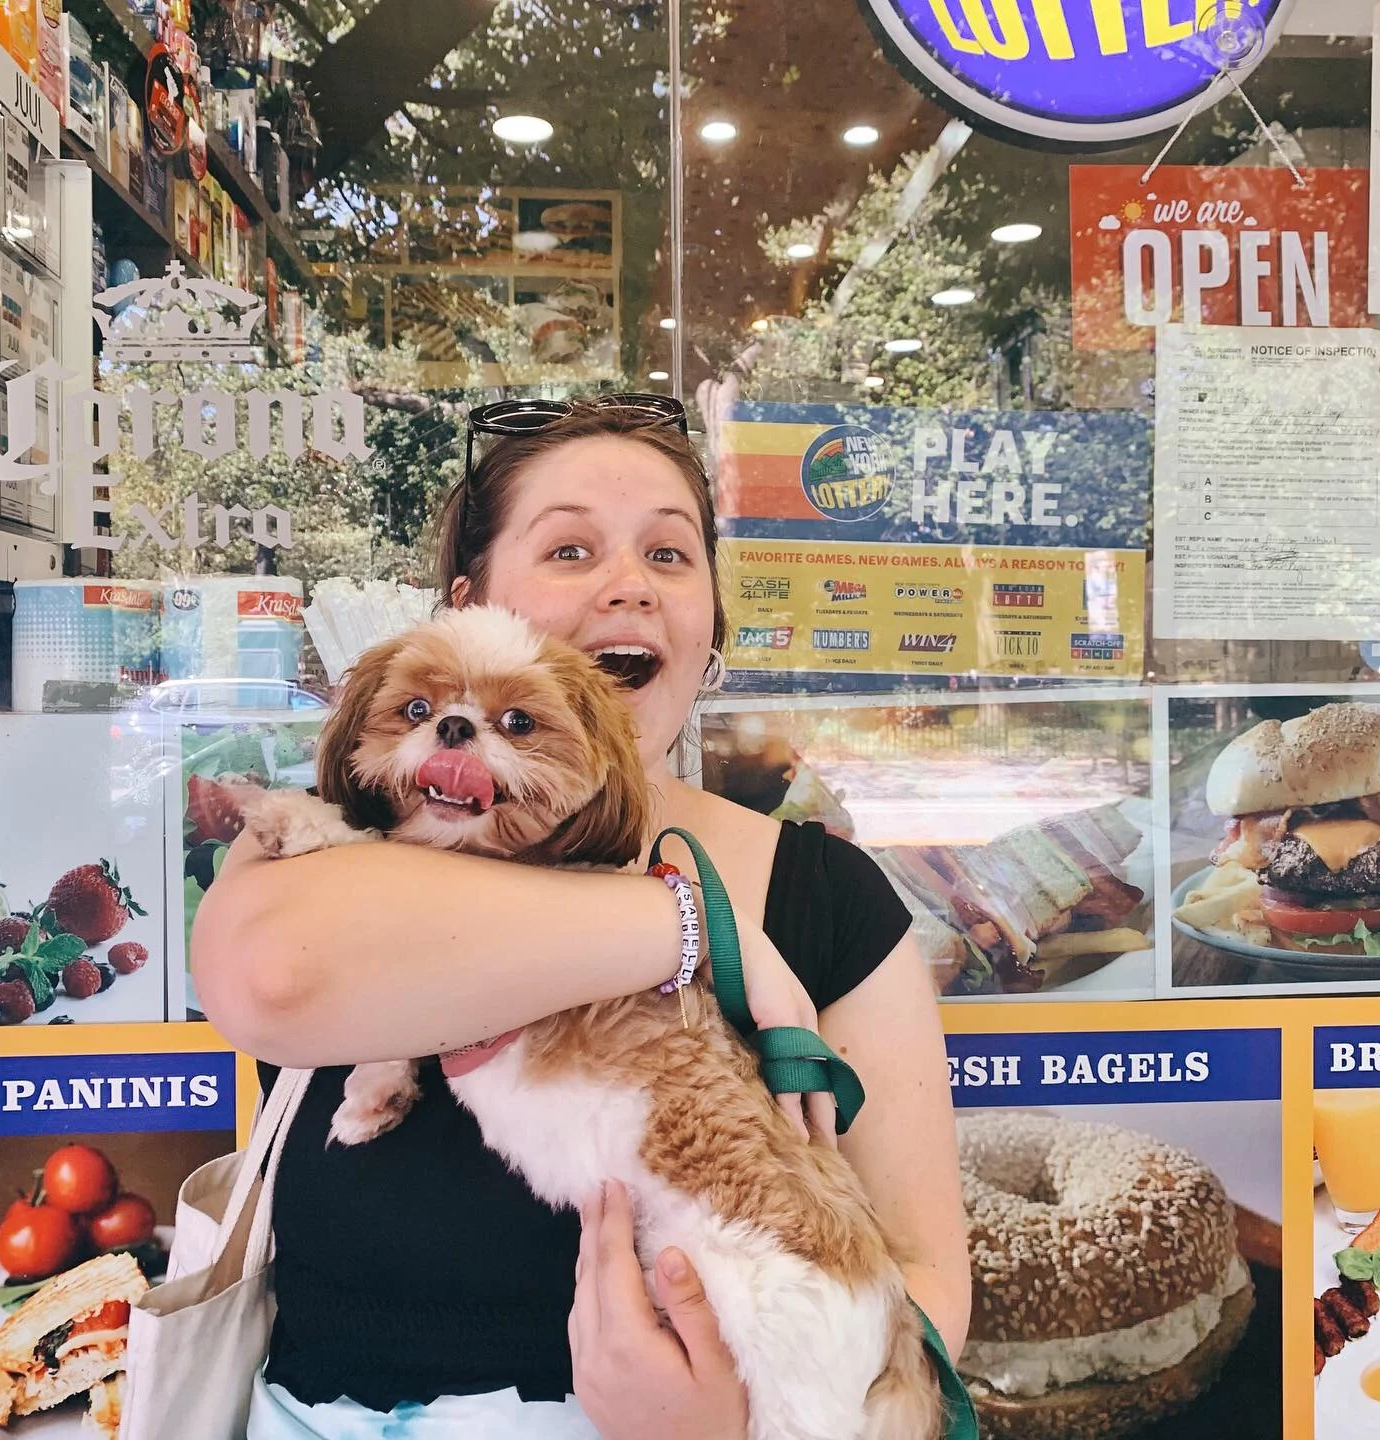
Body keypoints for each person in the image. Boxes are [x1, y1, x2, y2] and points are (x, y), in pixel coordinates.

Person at [192, 394, 972, 1440]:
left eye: (670, 555)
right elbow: (271, 978)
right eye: (570, 550)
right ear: (468, 602)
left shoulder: (827, 897)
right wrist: (689, 931)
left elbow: (926, 1279)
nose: (629, 587)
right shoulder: (334, 836)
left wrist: (728, 1423)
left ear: (710, 626)